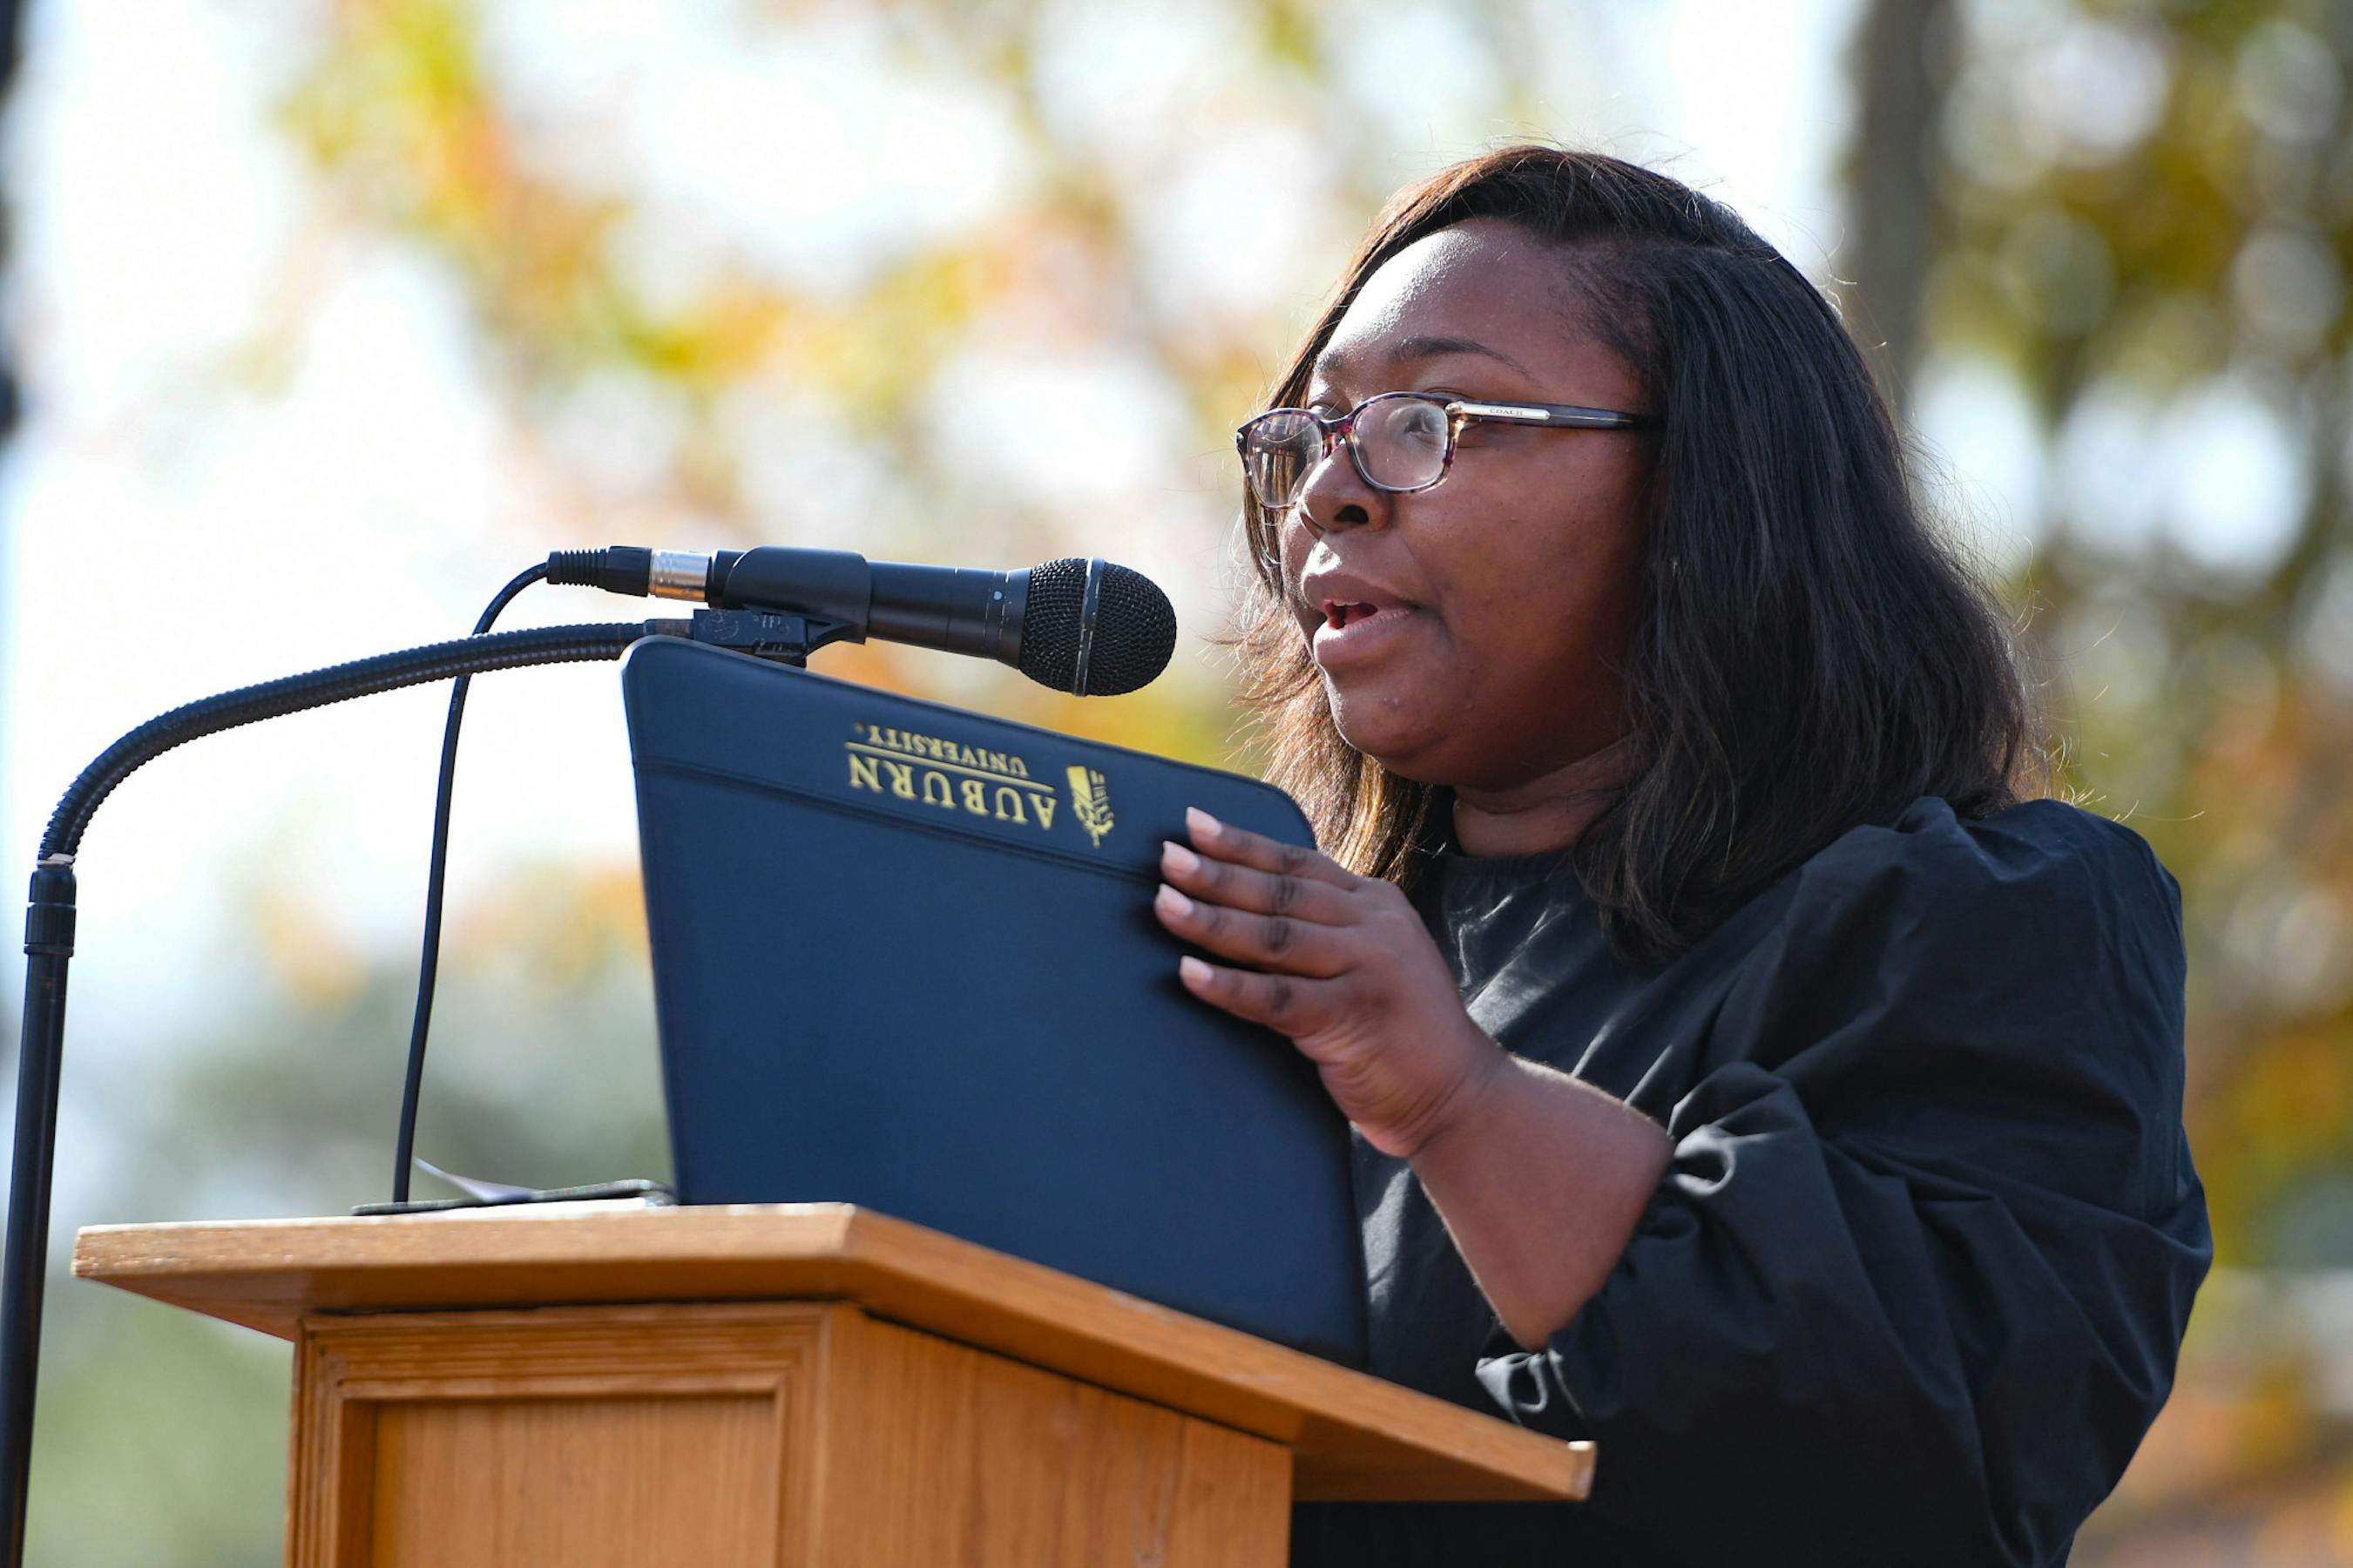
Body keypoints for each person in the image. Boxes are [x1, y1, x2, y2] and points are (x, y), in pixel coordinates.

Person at [1148, 146, 2210, 1567]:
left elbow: (1913, 1454)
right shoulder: (1273, 982)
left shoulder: (1978, 921)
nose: (1326, 493)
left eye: (1425, 419)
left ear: (1706, 488)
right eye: (1312, 431)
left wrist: (1459, 1102)